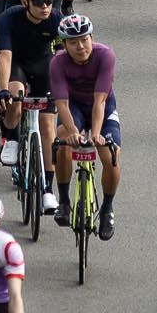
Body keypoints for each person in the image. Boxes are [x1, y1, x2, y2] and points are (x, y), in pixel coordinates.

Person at [0, 0, 64, 199]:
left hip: (44, 64)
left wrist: (64, 92)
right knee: (15, 95)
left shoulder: (57, 19)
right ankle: (11, 139)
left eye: (49, 0)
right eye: (38, 1)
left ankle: (48, 190)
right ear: (24, 2)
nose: (45, 6)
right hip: (17, 63)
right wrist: (1, 91)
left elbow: (62, 57)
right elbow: (6, 57)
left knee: (47, 125)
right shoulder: (10, 18)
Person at [48, 14, 122, 238]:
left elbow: (100, 101)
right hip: (74, 107)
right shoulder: (57, 62)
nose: (80, 46)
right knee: (61, 140)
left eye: (84, 39)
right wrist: (72, 133)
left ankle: (107, 209)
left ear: (92, 38)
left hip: (103, 106)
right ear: (64, 44)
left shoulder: (105, 55)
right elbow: (61, 104)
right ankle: (64, 201)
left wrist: (97, 135)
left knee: (111, 155)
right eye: (73, 42)